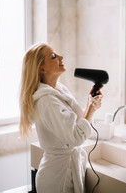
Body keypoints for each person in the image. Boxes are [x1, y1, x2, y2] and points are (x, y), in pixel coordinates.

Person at [19, 42, 103, 193]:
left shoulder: (58, 90)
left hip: (64, 170)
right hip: (57, 179)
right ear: (41, 68)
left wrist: (90, 105)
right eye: (53, 56)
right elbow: (76, 137)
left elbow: (72, 125)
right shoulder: (47, 101)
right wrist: (90, 109)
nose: (61, 57)